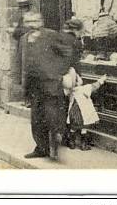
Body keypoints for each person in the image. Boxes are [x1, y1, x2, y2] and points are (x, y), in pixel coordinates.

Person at [19, 11, 76, 161]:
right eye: (28, 21)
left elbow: (67, 52)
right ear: (25, 23)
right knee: (36, 120)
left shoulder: (51, 35)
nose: (32, 24)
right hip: (34, 86)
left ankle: (56, 143)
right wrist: (23, 86)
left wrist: (58, 74)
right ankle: (41, 149)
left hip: (51, 84)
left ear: (41, 21)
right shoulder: (24, 39)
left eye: (35, 20)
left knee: (52, 117)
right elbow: (22, 63)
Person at [63, 68, 106, 150]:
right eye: (78, 77)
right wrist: (102, 79)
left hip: (73, 114)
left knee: (73, 128)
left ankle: (71, 143)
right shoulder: (85, 88)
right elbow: (95, 85)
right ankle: (83, 145)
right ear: (78, 82)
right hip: (83, 113)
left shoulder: (71, 91)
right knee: (84, 128)